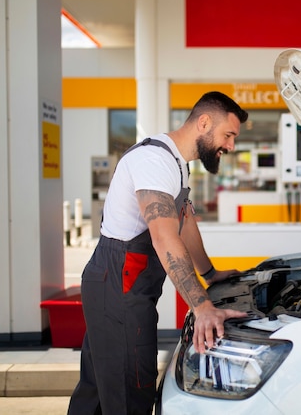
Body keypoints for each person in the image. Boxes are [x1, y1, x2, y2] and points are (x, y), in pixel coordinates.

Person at [68, 91, 249, 415]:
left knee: (99, 390)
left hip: (120, 283)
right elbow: (165, 238)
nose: (230, 146)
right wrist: (202, 307)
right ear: (204, 123)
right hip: (118, 283)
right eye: (228, 135)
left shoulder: (177, 163)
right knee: (129, 390)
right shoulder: (154, 161)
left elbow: (184, 219)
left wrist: (209, 274)